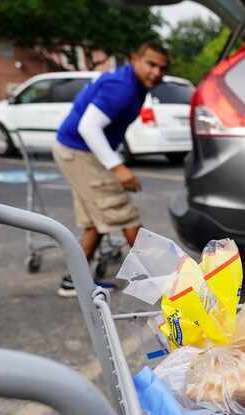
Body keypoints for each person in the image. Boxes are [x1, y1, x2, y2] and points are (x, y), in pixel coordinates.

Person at [53, 41, 168, 297]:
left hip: (74, 150)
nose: (157, 72)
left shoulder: (132, 83)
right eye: (151, 64)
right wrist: (118, 168)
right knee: (124, 213)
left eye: (162, 68)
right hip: (79, 150)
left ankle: (73, 281)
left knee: (94, 220)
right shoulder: (123, 87)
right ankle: (158, 283)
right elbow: (89, 127)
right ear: (133, 59)